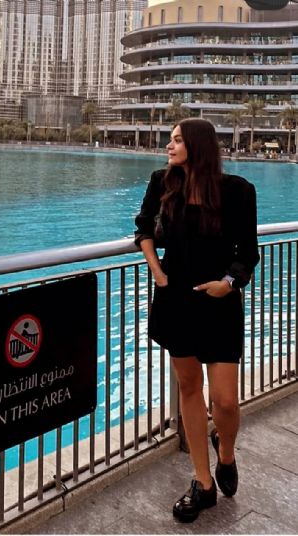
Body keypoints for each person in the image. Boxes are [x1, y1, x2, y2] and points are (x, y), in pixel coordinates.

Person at [134, 118, 259, 523]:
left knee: (225, 400)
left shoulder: (238, 191)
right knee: (189, 386)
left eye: (176, 140)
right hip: (176, 301)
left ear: (198, 145)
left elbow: (248, 253)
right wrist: (158, 272)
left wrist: (228, 283)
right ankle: (203, 483)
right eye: (169, 140)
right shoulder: (162, 183)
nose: (168, 146)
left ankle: (227, 453)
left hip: (219, 303)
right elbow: (143, 228)